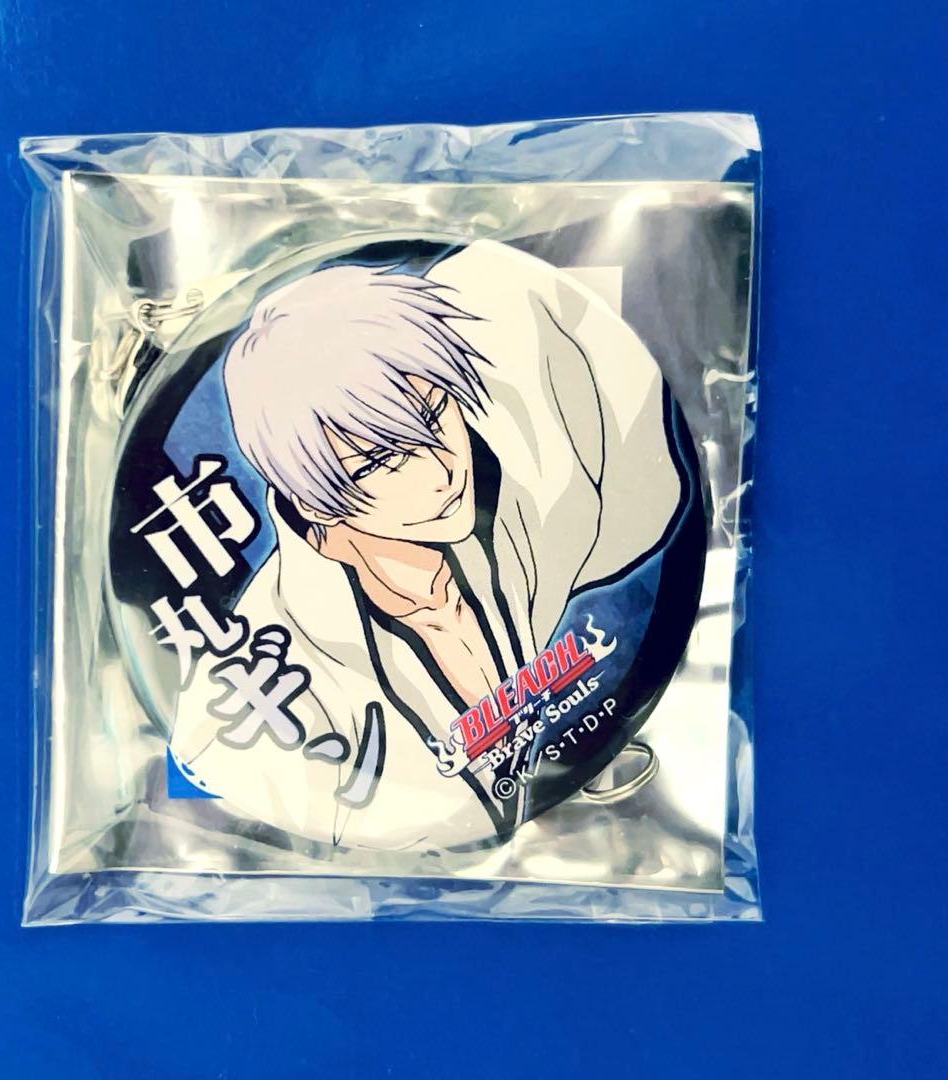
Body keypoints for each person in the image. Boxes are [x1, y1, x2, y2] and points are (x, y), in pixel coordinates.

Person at [170, 239, 683, 851]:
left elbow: (520, 298)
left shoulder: (530, 472)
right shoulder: (261, 675)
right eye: (381, 462)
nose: (442, 470)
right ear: (312, 502)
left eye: (437, 412)